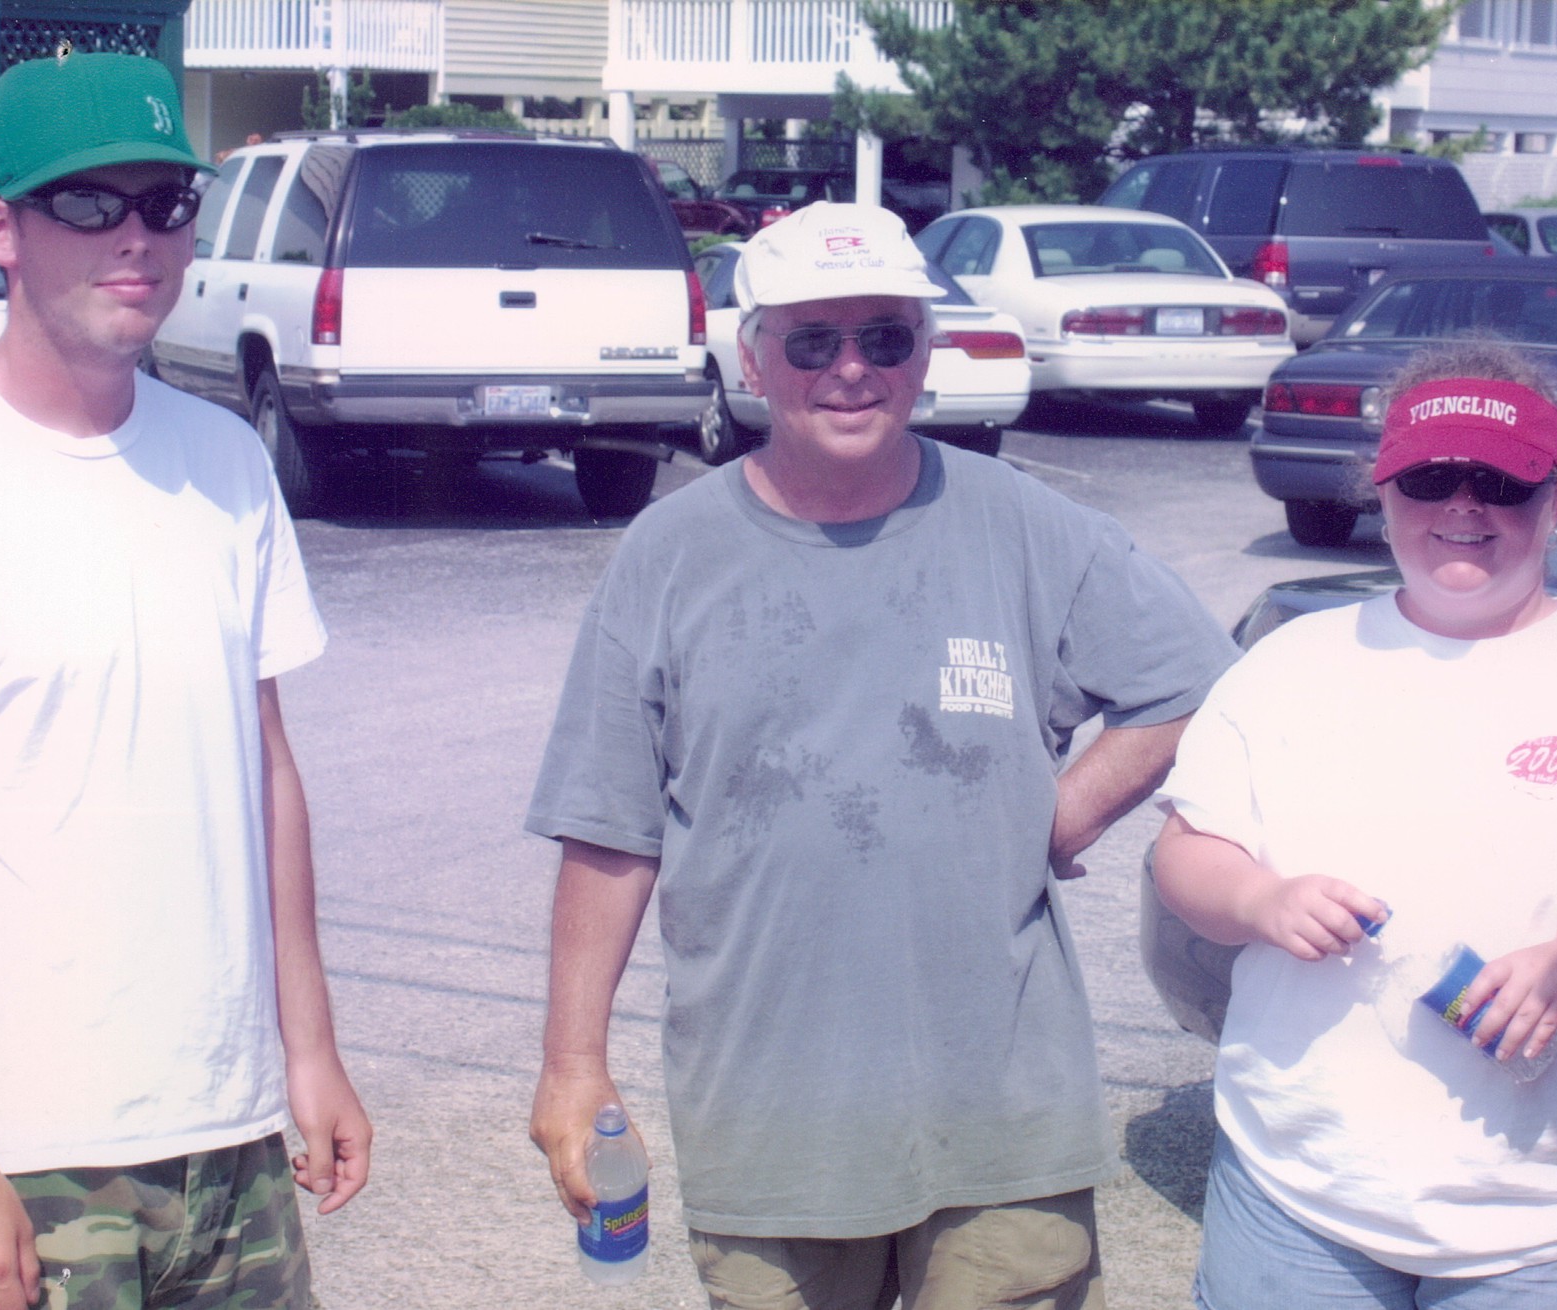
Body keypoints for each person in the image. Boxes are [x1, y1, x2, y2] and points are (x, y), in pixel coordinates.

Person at [525, 201, 1234, 1309]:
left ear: (925, 351)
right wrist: (573, 1066)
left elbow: (1194, 680)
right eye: (812, 340)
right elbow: (608, 826)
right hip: (771, 1123)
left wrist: (1059, 813)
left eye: (885, 336)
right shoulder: (668, 553)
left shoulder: (1023, 523)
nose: (851, 369)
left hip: (1004, 1117)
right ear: (752, 357)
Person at [1151, 340, 1557, 1310]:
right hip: (1298, 1190)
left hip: (1554, 1210)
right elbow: (1186, 852)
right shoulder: (1290, 663)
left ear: (1555, 500)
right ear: (1382, 492)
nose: (1463, 506)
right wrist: (1259, 898)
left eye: (1501, 483)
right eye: (1430, 479)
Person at [0, 51, 369, 1310]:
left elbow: (264, 768)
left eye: (166, 203)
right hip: (26, 1156)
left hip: (229, 1141)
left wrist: (310, 1047)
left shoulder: (225, 461)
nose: (137, 238)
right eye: (87, 202)